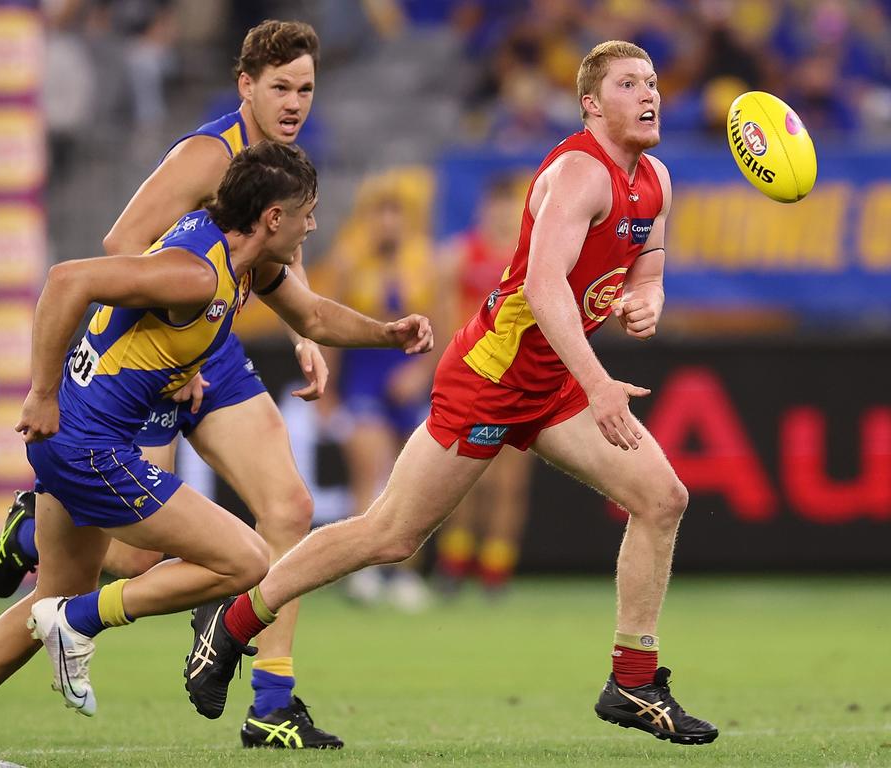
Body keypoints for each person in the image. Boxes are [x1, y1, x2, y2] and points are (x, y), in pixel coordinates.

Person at [186, 40, 720, 746]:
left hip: (553, 380)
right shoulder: (576, 174)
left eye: (652, 81)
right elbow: (541, 286)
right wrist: (599, 385)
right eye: (629, 83)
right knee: (391, 535)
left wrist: (648, 294)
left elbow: (646, 258)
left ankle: (633, 681)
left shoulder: (655, 178)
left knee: (662, 498)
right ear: (591, 104)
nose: (649, 93)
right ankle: (235, 620)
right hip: (495, 377)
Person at [0, 141, 434, 767]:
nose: (313, 224)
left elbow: (313, 316)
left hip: (77, 445)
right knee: (245, 559)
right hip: (87, 448)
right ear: (271, 219)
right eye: (306, 212)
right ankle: (82, 620)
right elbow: (66, 279)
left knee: (50, 593)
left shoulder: (248, 262)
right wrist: (41, 392)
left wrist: (385, 334)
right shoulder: (196, 273)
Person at [0, 19, 346, 748]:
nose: (294, 101)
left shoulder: (282, 163)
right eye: (280, 87)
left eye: (305, 87)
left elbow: (273, 253)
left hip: (211, 352)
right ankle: (34, 526)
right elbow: (122, 244)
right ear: (246, 86)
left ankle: (271, 700)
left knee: (289, 507)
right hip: (161, 350)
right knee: (139, 557)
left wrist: (305, 329)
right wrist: (169, 356)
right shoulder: (209, 153)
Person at [322, 175, 438, 611]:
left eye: (396, 215)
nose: (388, 224)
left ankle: (406, 573)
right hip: (365, 381)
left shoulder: (426, 263)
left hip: (409, 383)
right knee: (369, 471)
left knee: (418, 479)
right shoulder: (349, 262)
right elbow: (328, 329)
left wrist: (422, 373)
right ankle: (363, 571)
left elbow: (443, 329)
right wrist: (329, 392)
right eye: (380, 214)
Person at [432, 175, 534, 596]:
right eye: (495, 207)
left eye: (509, 208)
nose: (501, 215)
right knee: (463, 476)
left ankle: (496, 569)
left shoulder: (529, 256)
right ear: (483, 210)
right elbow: (439, 312)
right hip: (471, 378)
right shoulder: (457, 255)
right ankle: (455, 564)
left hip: (518, 380)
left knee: (509, 482)